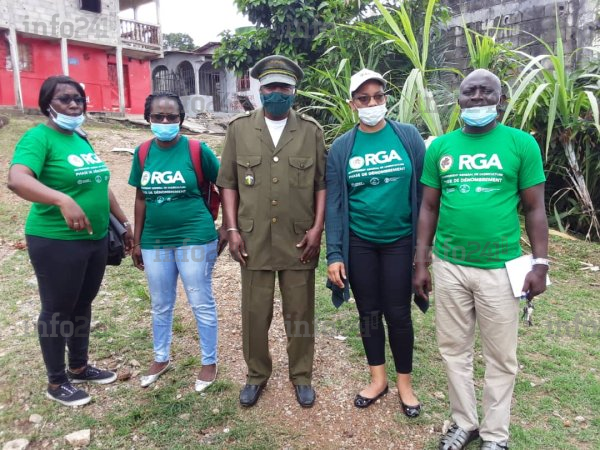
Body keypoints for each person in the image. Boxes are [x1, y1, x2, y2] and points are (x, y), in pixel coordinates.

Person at [413, 69, 548, 450]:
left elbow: (535, 208)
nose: (476, 97)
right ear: (458, 100)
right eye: (469, 91)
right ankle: (463, 422)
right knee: (453, 349)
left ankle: (495, 435)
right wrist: (421, 263)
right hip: (449, 265)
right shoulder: (441, 147)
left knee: (501, 356)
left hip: (500, 268)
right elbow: (428, 207)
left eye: (485, 91)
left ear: (499, 99)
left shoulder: (521, 144)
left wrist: (541, 264)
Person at [8, 75, 133, 407]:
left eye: (79, 98)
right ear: (47, 104)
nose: (75, 104)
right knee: (57, 309)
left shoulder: (79, 137)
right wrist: (61, 199)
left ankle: (79, 366)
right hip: (56, 239)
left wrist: (123, 222)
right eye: (65, 99)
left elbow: (99, 184)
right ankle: (56, 381)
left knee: (83, 303)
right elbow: (17, 179)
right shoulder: (38, 138)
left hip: (94, 238)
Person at [217, 55, 326, 408]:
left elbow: (321, 185)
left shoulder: (310, 130)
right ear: (259, 90)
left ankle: (302, 375)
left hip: (299, 238)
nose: (276, 93)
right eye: (270, 87)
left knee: (300, 313)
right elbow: (228, 183)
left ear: (294, 91)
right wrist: (231, 228)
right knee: (255, 312)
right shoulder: (239, 129)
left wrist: (318, 228)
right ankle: (256, 374)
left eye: (284, 87)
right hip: (253, 238)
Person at [325, 69, 426, 416]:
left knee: (398, 313)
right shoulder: (342, 148)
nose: (372, 104)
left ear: (386, 98)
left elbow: (424, 194)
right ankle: (377, 379)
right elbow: (335, 203)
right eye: (363, 98)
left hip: (400, 240)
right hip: (360, 242)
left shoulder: (408, 136)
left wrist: (422, 250)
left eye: (378, 97)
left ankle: (405, 385)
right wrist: (334, 254)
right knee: (368, 313)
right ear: (352, 104)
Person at [128, 92, 226, 392]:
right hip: (154, 241)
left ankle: (209, 361)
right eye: (158, 116)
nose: (165, 121)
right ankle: (161, 357)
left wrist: (228, 227)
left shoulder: (197, 150)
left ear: (181, 119)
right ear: (148, 118)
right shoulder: (143, 153)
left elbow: (226, 185)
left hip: (194, 236)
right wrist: (136, 241)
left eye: (172, 117)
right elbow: (141, 198)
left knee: (199, 299)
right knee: (160, 302)